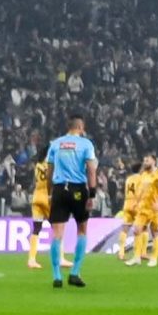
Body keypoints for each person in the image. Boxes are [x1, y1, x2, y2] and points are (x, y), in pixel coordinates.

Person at [46, 116, 99, 288]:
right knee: (82, 230)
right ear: (81, 127)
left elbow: (49, 171)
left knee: (57, 234)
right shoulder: (86, 144)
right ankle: (75, 272)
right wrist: (92, 194)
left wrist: (49, 193)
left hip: (60, 189)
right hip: (78, 190)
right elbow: (91, 170)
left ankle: (57, 276)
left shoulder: (55, 144)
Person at [121, 154, 158, 266]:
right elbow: (141, 191)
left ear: (154, 161)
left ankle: (154, 258)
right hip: (143, 208)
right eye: (144, 160)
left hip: (155, 208)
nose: (145, 162)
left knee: (155, 232)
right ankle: (137, 257)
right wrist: (136, 202)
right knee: (137, 230)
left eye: (147, 160)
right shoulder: (144, 174)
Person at [25, 143, 51, 271]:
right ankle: (60, 258)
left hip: (36, 197)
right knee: (58, 227)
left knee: (36, 229)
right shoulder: (51, 165)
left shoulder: (38, 165)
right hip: (47, 198)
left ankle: (31, 259)